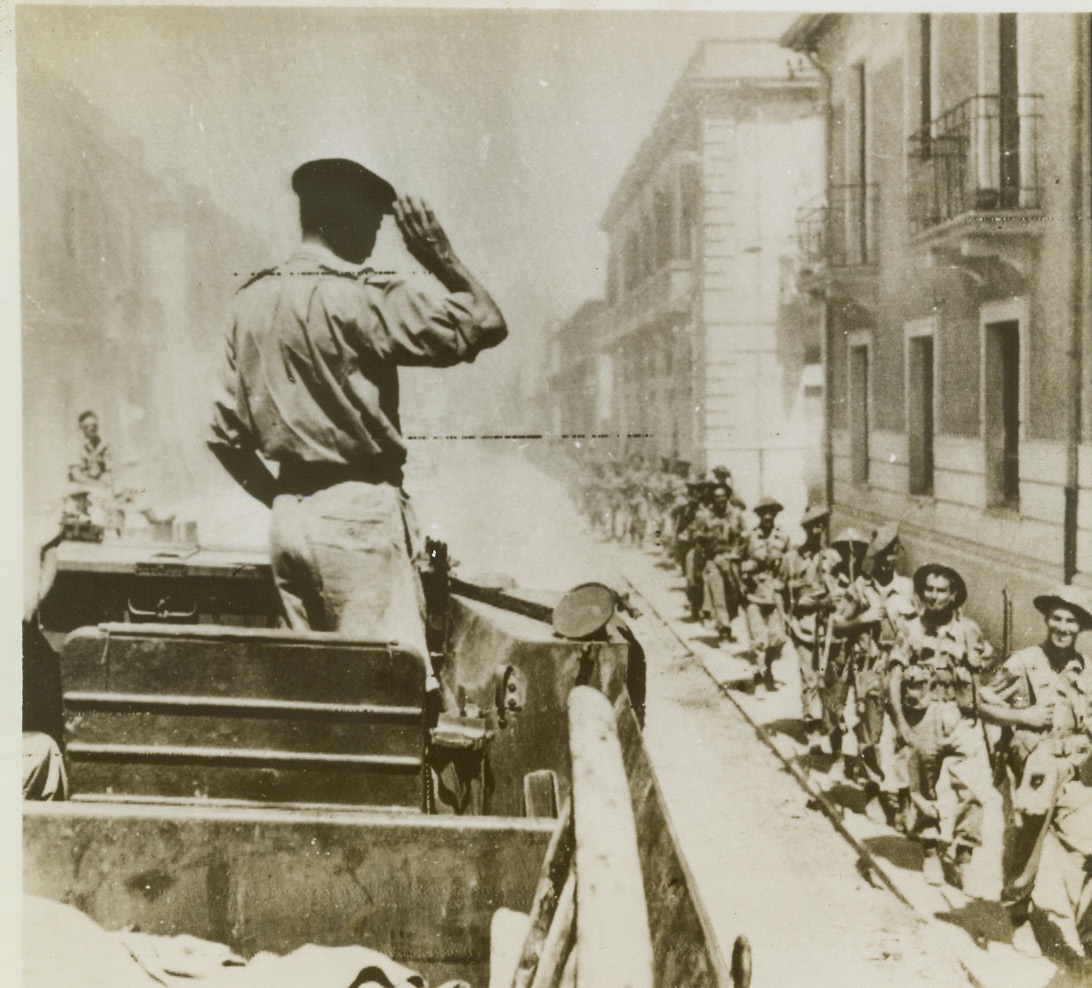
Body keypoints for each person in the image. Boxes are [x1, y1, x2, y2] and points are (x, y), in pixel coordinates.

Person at [208, 158, 507, 665]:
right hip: (359, 519)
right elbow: (487, 321)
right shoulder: (364, 298)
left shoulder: (249, 302)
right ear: (343, 219)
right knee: (385, 689)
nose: (375, 233)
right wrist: (440, 256)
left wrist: (287, 500)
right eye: (372, 220)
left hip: (288, 518)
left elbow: (223, 439)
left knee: (314, 688)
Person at [978, 587, 1092, 958]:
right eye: (1056, 618)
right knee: (1026, 847)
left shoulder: (1086, 668)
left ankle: (1087, 933)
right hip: (1035, 770)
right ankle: (1018, 917)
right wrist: (1021, 716)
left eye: (1070, 620)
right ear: (1047, 620)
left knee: (1088, 848)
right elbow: (981, 702)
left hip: (1074, 770)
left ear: (1081, 627)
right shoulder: (1025, 661)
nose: (1062, 626)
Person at [888, 563, 998, 891]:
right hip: (921, 715)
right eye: (929, 590)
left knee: (974, 785)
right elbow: (893, 676)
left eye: (942, 591)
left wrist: (980, 711)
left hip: (959, 714)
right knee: (923, 788)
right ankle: (931, 850)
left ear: (953, 596)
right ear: (922, 594)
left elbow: (980, 669)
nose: (935, 597)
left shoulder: (968, 630)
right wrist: (899, 725)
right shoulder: (911, 630)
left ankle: (964, 854)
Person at [784, 505, 839, 741]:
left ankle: (827, 721)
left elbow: (839, 591)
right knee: (809, 675)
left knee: (827, 675)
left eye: (821, 524)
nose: (818, 529)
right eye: (813, 525)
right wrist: (786, 616)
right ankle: (811, 721)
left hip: (829, 627)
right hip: (804, 625)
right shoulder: (792, 559)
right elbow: (782, 591)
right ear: (805, 528)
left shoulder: (833, 558)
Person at [739, 497, 791, 690]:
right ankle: (759, 679)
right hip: (754, 595)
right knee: (759, 639)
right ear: (759, 515)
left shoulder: (783, 537)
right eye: (764, 513)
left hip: (775, 596)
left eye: (772, 512)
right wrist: (747, 569)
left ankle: (767, 667)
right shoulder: (749, 537)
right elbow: (735, 562)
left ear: (776, 514)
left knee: (778, 639)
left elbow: (789, 563)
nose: (768, 516)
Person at [694, 486, 746, 644]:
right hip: (713, 560)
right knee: (718, 595)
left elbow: (744, 537)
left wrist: (738, 555)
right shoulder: (705, 517)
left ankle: (728, 622)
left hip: (732, 561)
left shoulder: (736, 515)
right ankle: (724, 629)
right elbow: (700, 542)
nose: (720, 500)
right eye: (717, 497)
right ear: (713, 500)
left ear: (727, 497)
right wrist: (700, 565)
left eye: (723, 497)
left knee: (733, 596)